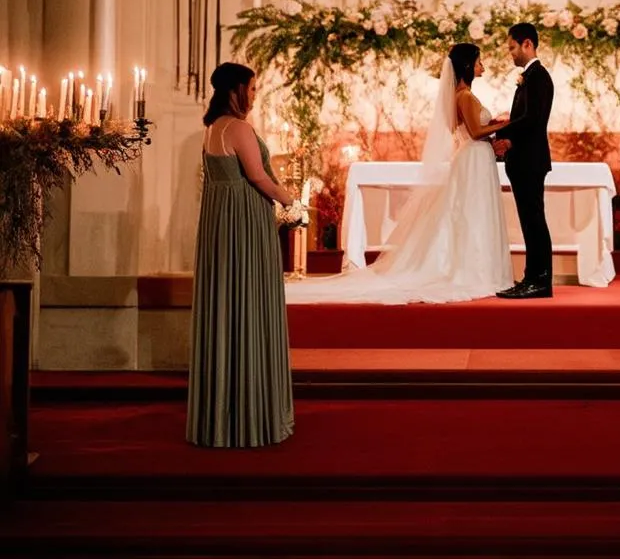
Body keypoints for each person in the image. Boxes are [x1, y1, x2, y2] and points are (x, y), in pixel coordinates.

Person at [285, 43, 514, 304]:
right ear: (467, 65)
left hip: (471, 158)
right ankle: (476, 270)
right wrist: (507, 123)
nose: (482, 66)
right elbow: (475, 132)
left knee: (469, 214)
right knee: (473, 213)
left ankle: (475, 267)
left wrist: (493, 126)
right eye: (478, 61)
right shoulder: (466, 96)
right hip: (474, 158)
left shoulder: (457, 96)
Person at [187, 62, 295, 448]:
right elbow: (257, 176)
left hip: (220, 226)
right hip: (245, 225)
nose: (254, 94)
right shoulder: (239, 128)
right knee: (250, 304)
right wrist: (292, 202)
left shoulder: (212, 128)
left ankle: (219, 416)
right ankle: (252, 414)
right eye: (252, 88)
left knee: (226, 306)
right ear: (237, 90)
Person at [494, 22, 555, 299]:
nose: (511, 54)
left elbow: (533, 119)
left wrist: (503, 132)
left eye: (512, 48)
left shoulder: (538, 77)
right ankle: (532, 277)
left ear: (527, 44)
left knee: (534, 221)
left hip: (530, 161)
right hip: (524, 159)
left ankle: (540, 280)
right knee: (529, 221)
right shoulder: (529, 77)